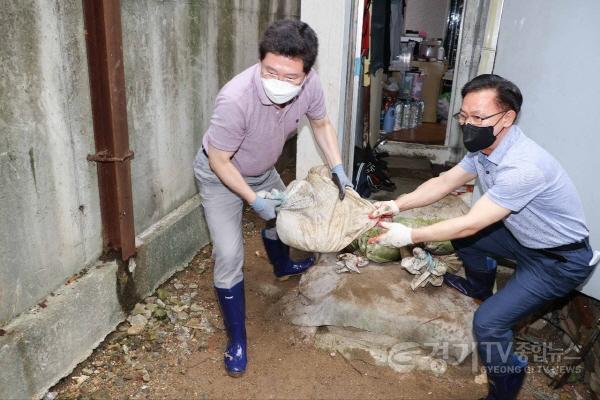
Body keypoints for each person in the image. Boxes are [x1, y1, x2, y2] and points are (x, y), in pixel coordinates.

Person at [369, 74, 598, 399]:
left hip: (558, 261)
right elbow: (445, 181)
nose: (468, 125)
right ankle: (479, 286)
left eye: (478, 118)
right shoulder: (485, 148)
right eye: (464, 116)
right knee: (466, 238)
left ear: (507, 118)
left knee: (488, 324)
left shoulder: (523, 166)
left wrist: (409, 234)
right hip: (525, 239)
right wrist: (395, 204)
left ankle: (506, 382)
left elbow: (471, 223)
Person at [192, 19, 352, 377]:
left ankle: (281, 266)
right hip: (221, 174)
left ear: (306, 72)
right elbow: (219, 159)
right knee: (230, 253)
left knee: (285, 218)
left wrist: (338, 166)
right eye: (270, 71)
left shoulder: (310, 87)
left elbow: (322, 124)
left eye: (290, 76)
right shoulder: (235, 99)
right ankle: (237, 339)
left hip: (262, 169)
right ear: (261, 60)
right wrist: (253, 198)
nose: (278, 81)